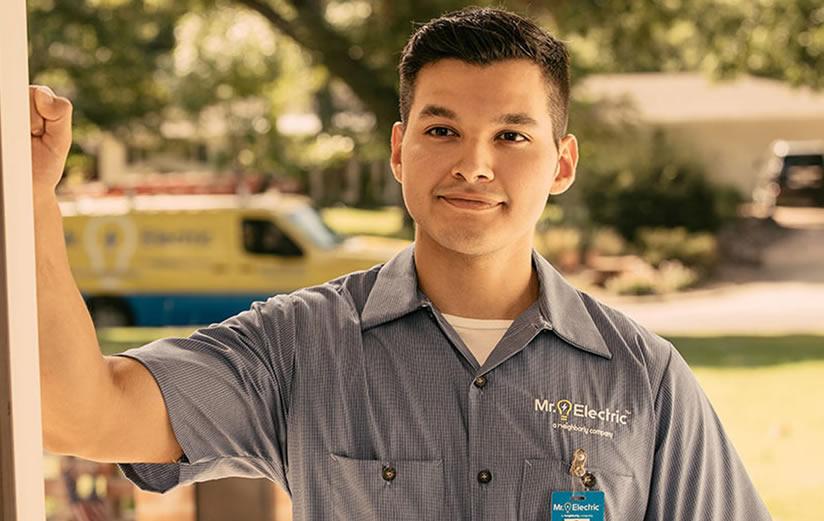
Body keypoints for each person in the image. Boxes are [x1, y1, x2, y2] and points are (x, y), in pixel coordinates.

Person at [33, 6, 772, 520]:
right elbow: (81, 414)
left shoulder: (643, 377)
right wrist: (35, 200)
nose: (474, 165)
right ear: (398, 149)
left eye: (512, 136)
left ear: (562, 163)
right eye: (442, 128)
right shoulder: (300, 346)